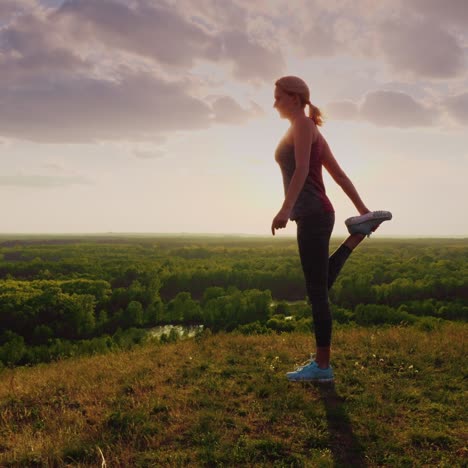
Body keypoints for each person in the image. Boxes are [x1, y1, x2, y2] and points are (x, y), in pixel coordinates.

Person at [271, 75, 391, 383]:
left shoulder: (302, 125)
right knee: (320, 284)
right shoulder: (311, 130)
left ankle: (322, 368)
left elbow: (300, 169)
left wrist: (286, 209)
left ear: (294, 98)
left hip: (312, 214)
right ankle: (359, 232)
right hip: (319, 213)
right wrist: (363, 211)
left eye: (278, 97)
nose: (274, 104)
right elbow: (339, 176)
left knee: (317, 293)